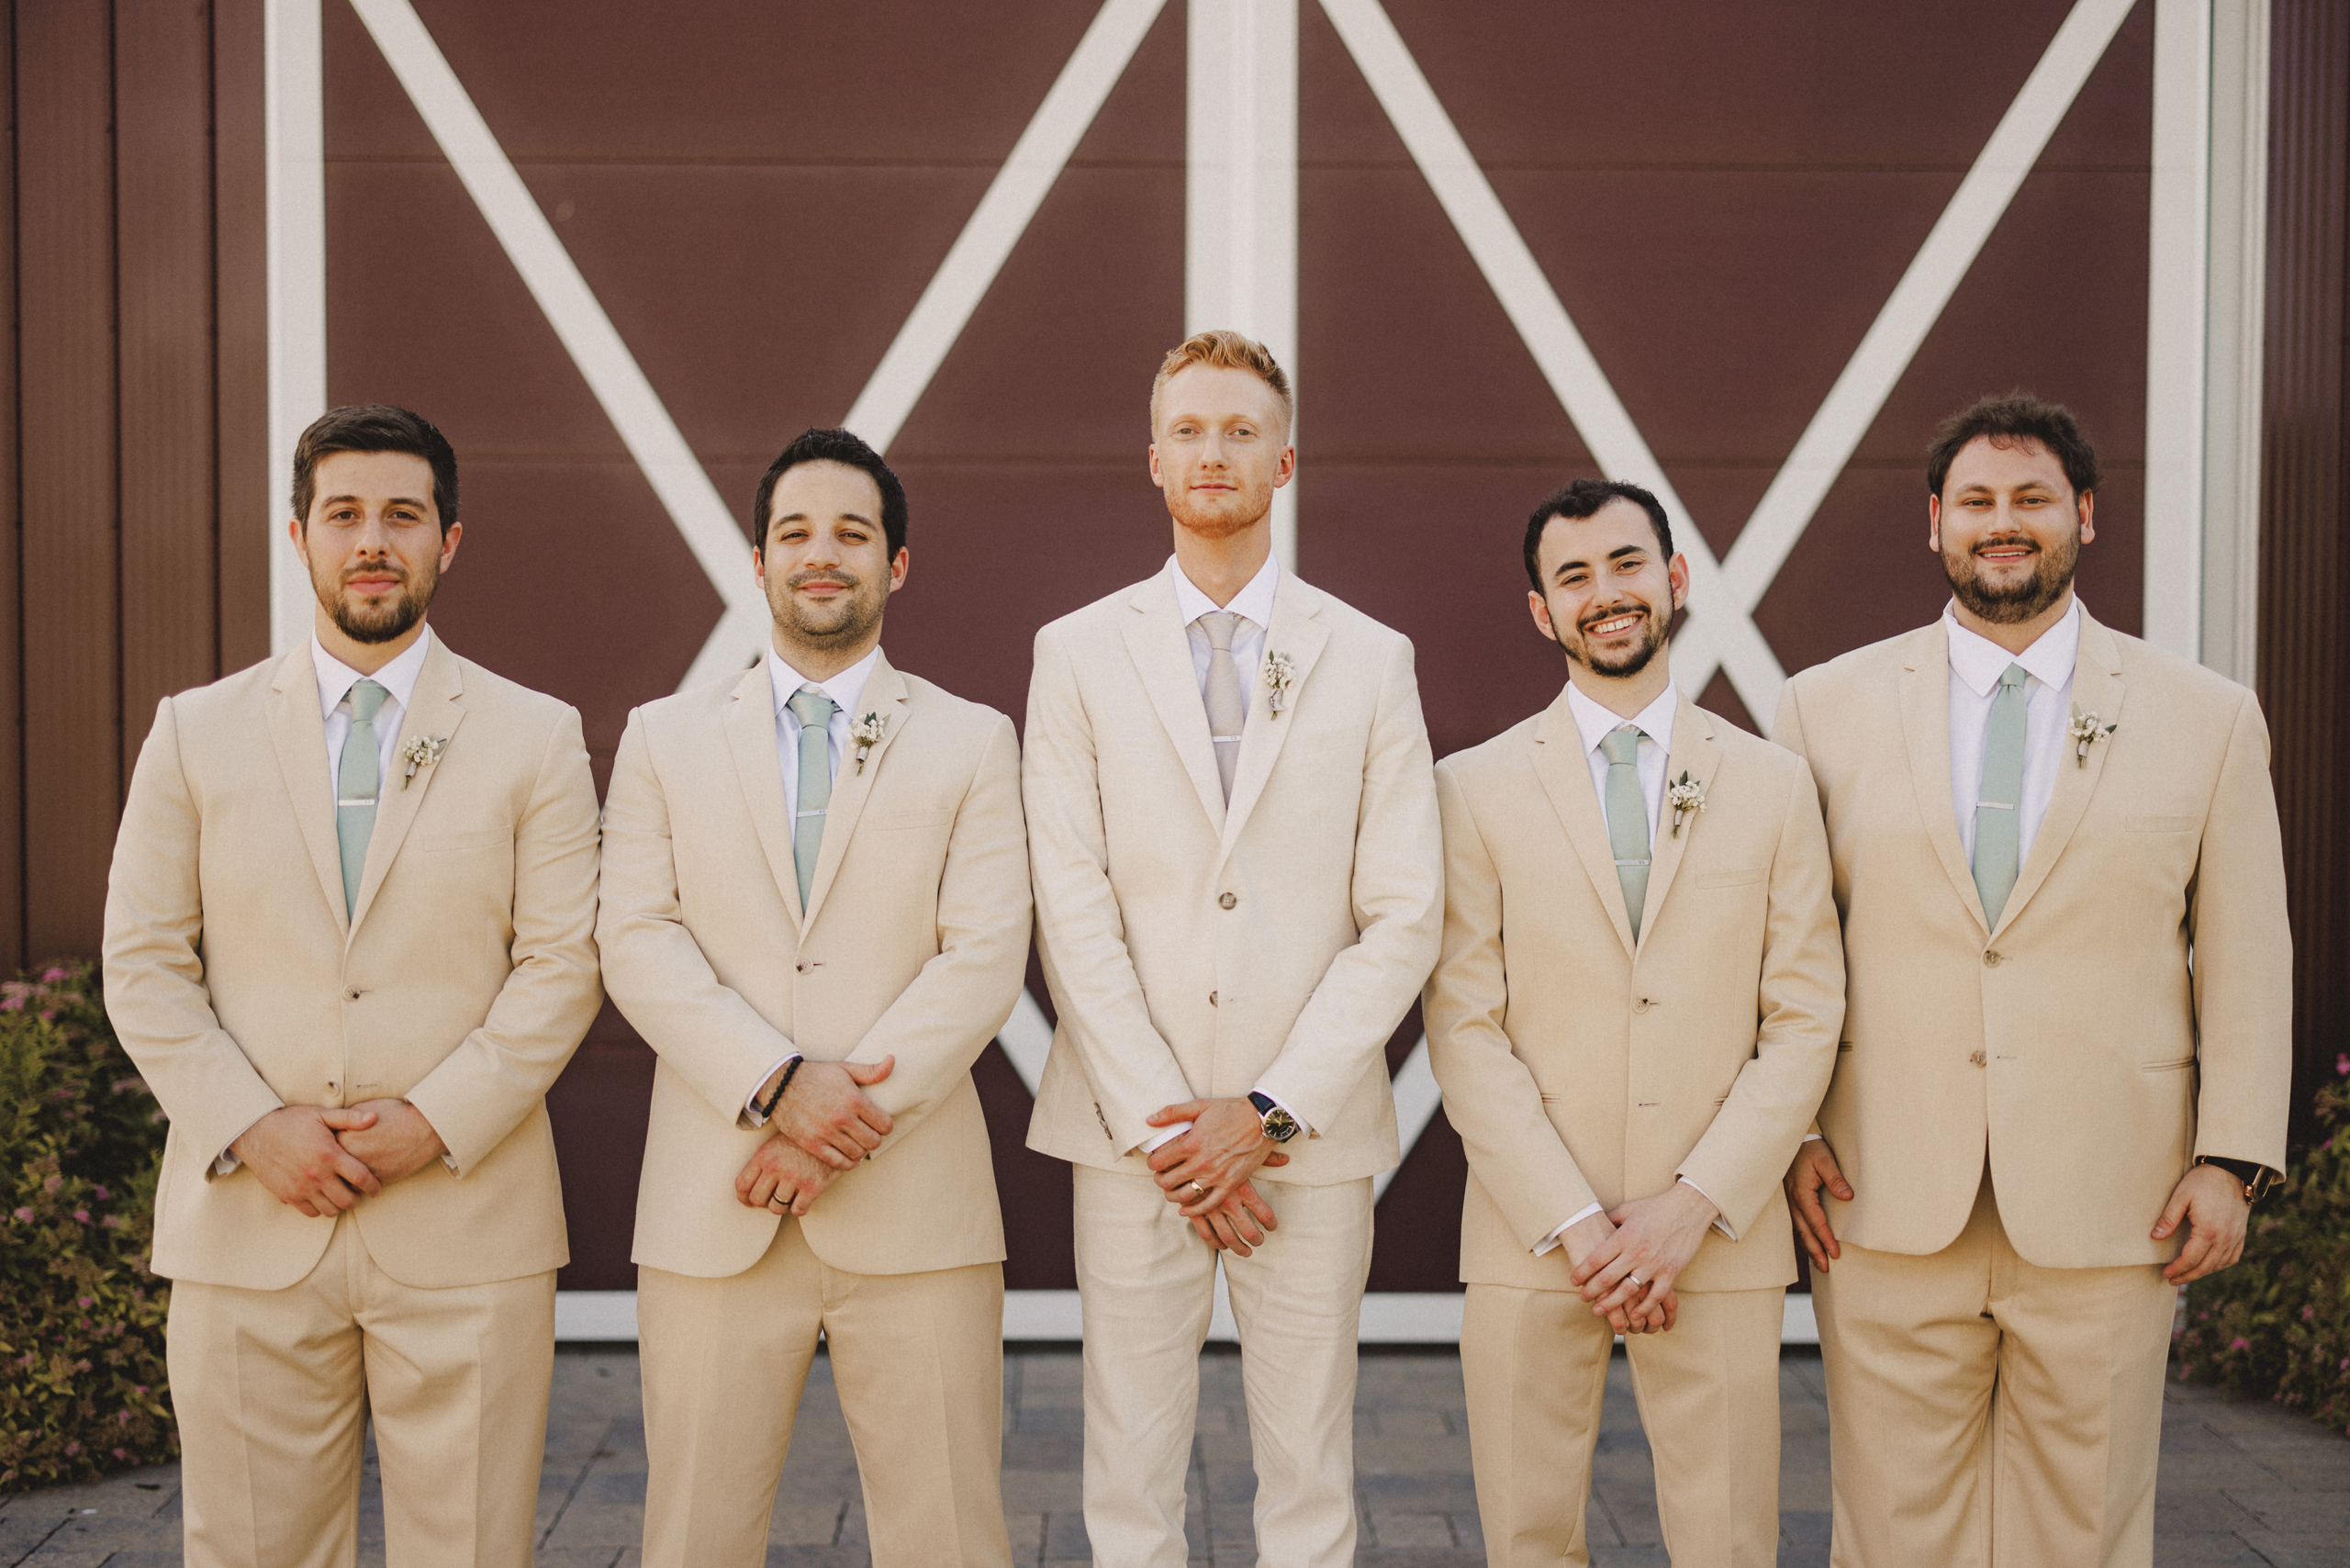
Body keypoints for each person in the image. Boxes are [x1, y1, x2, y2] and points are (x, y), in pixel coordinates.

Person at [1776, 393, 2292, 1567]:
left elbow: (2249, 951)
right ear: (1935, 523)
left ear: (2085, 516)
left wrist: (2232, 1157)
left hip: (2120, 1192)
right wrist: (1795, 1129)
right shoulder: (1821, 707)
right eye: (1975, 502)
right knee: (1895, 1526)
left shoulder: (2207, 719)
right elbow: (1789, 944)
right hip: (1881, 1187)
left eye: (2030, 499)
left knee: (2088, 1527)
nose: (2001, 523)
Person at [101, 404, 603, 1568]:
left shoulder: (535, 736)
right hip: (248, 1221)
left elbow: (561, 962)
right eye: (344, 515)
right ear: (299, 536)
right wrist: (251, 1125)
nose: (371, 539)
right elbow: (144, 962)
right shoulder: (195, 732)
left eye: (402, 515)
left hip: (469, 1223)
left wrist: (436, 1121)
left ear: (449, 541)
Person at [1022, 329, 1442, 1568]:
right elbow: (1071, 899)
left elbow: (1403, 913)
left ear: (1287, 461)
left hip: (1304, 1137)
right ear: (1154, 460)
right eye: (1192, 430)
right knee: (1129, 1470)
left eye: (1242, 430)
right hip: (1129, 1139)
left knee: (1311, 1472)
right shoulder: (1076, 652)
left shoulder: (1370, 660)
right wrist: (1175, 1125)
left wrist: (1266, 1110)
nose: (1216, 452)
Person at [598, 427, 1031, 1568]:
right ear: (758, 561)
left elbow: (982, 956)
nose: (821, 553)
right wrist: (779, 1086)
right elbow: (636, 939)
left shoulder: (975, 740)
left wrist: (829, 1129)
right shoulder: (660, 738)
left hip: (920, 1211)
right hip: (714, 1203)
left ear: (896, 565)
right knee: (693, 1539)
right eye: (796, 532)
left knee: (948, 1539)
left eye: (853, 532)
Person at [1425, 477, 1843, 1567]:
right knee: (1524, 1536)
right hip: (1530, 1231)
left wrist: (1691, 1205)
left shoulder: (1772, 783)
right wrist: (1572, 1219)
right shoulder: (1470, 788)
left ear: (1673, 579)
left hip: (1713, 1231)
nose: (1603, 594)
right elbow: (1463, 1025)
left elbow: (1804, 1015)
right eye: (1572, 577)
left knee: (1728, 1540)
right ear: (1539, 610)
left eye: (1623, 565)